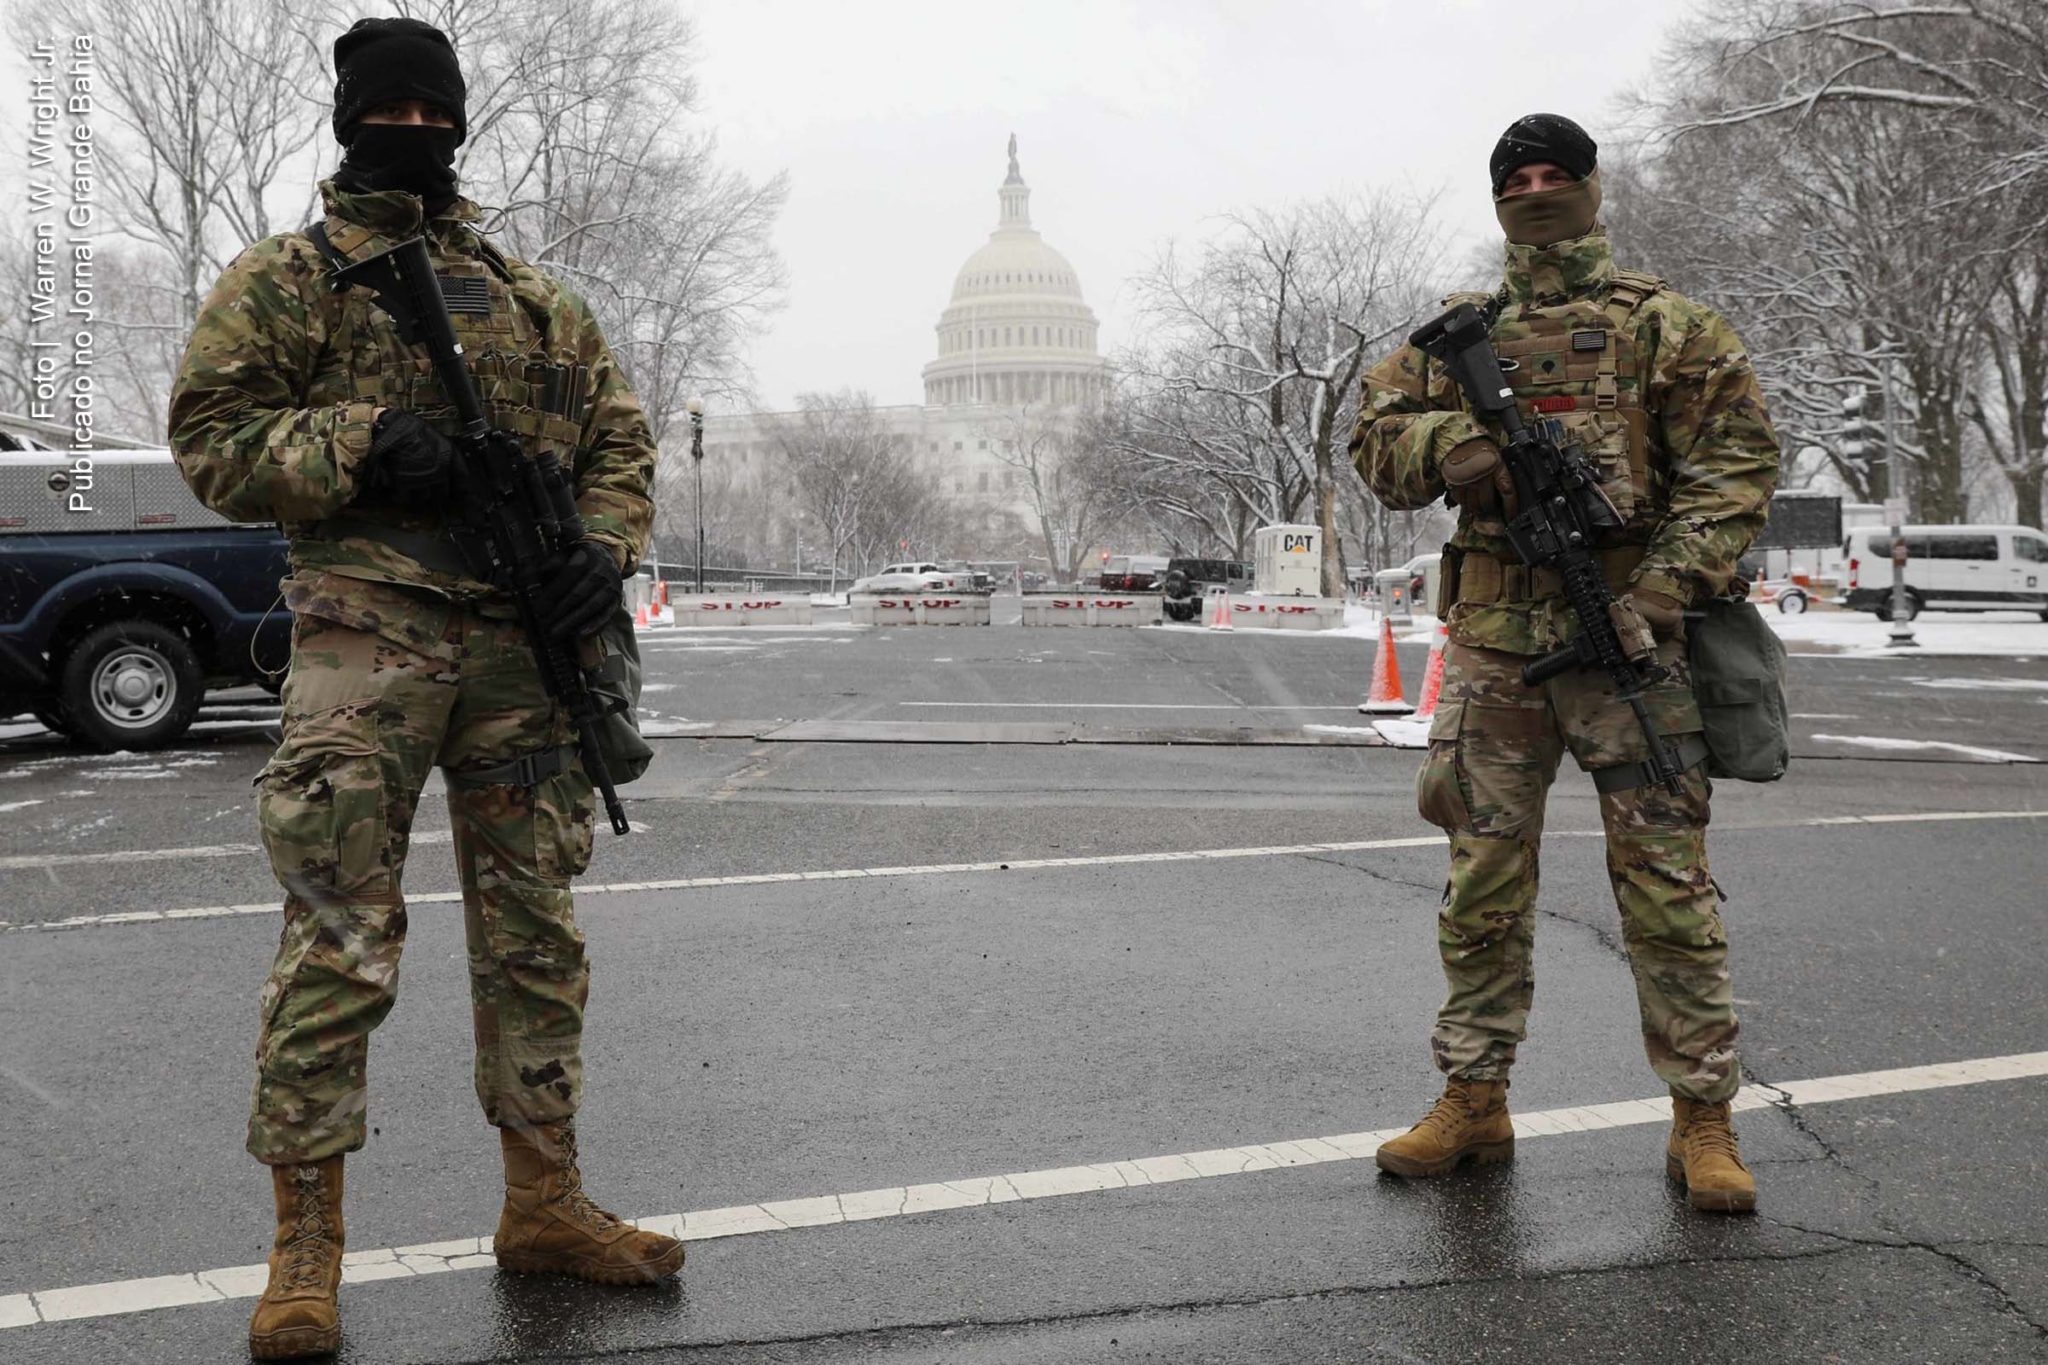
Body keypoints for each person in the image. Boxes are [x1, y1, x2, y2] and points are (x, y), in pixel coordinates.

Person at [169, 18, 679, 1359]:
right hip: (366, 633)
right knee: (338, 933)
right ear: (348, 122)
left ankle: (544, 1202)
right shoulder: (290, 280)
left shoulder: (534, 298)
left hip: (523, 648)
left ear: (458, 122)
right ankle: (305, 1245)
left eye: (430, 112)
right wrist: (362, 441)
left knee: (535, 933)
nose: (412, 132)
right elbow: (212, 443)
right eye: (386, 112)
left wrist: (598, 554)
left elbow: (619, 441)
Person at [1350, 114, 1780, 1214]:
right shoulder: (1456, 338)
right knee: (1480, 885)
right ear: (1499, 200)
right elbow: (1375, 444)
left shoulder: (1670, 327)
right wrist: (1451, 444)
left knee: (1667, 887)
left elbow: (1735, 466)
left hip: (1630, 639)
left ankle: (1703, 1116)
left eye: (1556, 175)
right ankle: (1473, 1099)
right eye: (1518, 179)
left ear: (1591, 189)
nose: (1536, 193)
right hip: (1496, 647)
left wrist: (1660, 589)